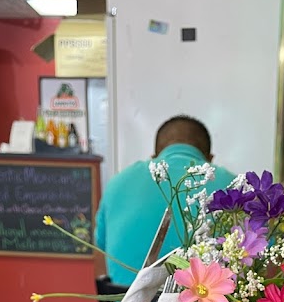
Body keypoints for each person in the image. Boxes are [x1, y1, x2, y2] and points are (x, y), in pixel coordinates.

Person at [94, 116, 234, 288]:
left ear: (154, 157)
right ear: (209, 159)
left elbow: (100, 253)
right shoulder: (234, 187)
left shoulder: (116, 183)